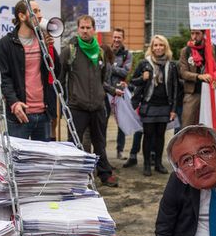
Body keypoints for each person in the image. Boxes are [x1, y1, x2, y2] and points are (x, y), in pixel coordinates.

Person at [59, 15, 121, 187]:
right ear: (78, 29)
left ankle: (105, 174)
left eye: (88, 28)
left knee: (100, 143)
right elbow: (59, 78)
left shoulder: (100, 51)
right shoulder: (69, 50)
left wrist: (110, 90)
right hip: (77, 106)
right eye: (82, 28)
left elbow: (101, 80)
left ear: (94, 30)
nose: (85, 31)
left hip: (98, 106)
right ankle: (73, 177)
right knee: (74, 144)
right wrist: (64, 102)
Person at [0, 0, 59, 141]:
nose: (40, 15)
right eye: (35, 11)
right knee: (19, 161)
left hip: (43, 113)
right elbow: (3, 78)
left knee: (41, 162)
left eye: (40, 11)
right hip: (20, 114)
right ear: (22, 16)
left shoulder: (42, 41)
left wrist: (50, 49)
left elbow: (56, 72)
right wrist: (14, 102)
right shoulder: (7, 43)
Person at [130, 35, 181, 176]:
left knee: (160, 136)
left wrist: (173, 109)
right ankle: (147, 164)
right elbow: (133, 81)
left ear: (165, 47)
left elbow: (175, 88)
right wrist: (142, 78)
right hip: (148, 105)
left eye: (161, 45)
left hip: (165, 105)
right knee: (148, 135)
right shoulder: (143, 64)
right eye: (155, 45)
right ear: (151, 48)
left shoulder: (171, 65)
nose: (158, 48)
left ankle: (158, 163)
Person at [179, 29, 216, 127]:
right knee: (187, 124)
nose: (194, 36)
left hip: (210, 91)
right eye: (192, 33)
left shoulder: (214, 49)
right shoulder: (186, 50)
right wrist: (199, 76)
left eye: (197, 33)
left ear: (204, 34)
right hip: (192, 92)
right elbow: (183, 73)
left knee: (209, 124)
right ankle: (187, 142)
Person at [110, 28, 133, 160]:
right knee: (102, 121)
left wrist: (111, 67)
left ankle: (120, 150)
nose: (116, 40)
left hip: (119, 91)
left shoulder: (127, 54)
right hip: (106, 90)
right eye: (115, 37)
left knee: (121, 123)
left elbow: (125, 72)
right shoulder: (106, 51)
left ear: (123, 39)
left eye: (119, 37)